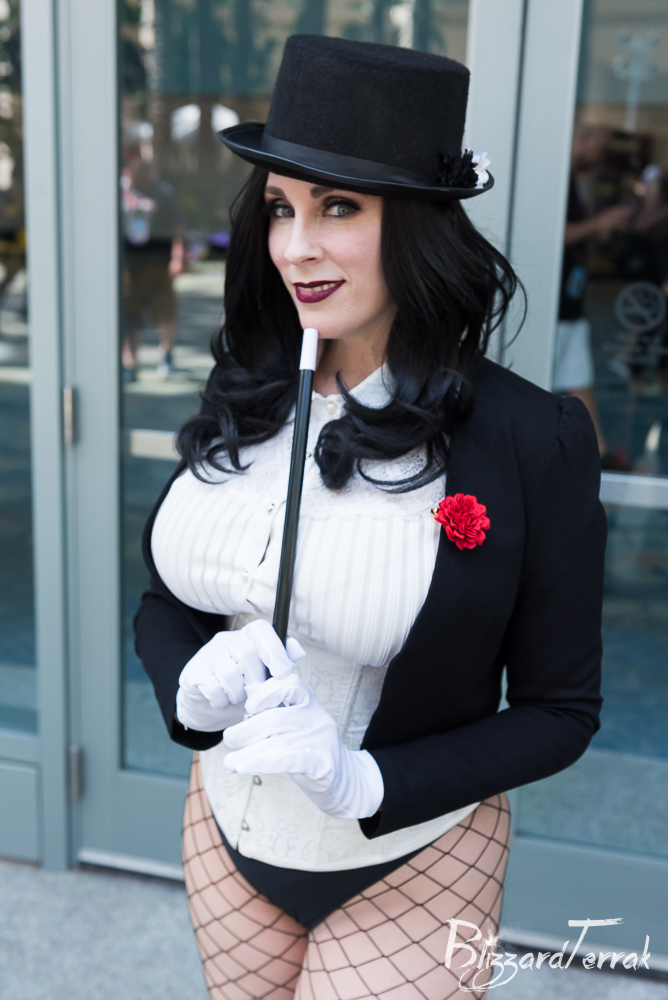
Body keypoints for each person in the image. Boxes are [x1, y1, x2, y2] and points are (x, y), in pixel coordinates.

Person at [135, 36, 606, 1000]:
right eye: (280, 208)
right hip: (223, 827)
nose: (295, 246)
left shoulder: (531, 436)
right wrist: (188, 683)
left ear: (419, 226)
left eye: (338, 207)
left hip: (418, 855)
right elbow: (165, 600)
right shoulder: (246, 393)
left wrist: (367, 783)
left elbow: (561, 711)